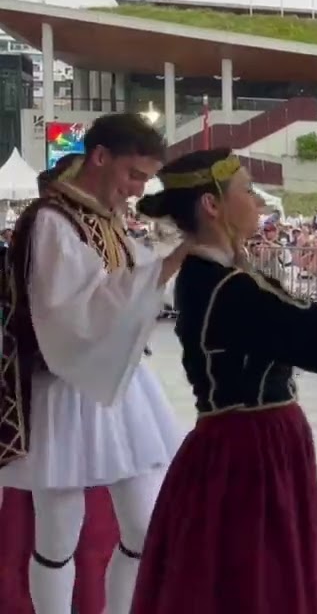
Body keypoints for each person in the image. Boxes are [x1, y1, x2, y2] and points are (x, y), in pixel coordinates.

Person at [126, 148, 317, 614]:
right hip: (250, 453)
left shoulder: (218, 275)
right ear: (212, 205)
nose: (258, 203)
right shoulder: (227, 287)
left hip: (248, 446)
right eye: (247, 191)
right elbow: (315, 334)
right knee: (256, 580)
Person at [0, 114, 187, 614]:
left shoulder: (102, 216)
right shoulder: (50, 220)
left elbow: (126, 294)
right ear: (100, 157)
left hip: (118, 384)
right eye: (133, 175)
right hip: (61, 387)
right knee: (58, 536)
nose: (137, 189)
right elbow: (73, 310)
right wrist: (170, 260)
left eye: (145, 179)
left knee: (145, 528)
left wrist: (163, 264)